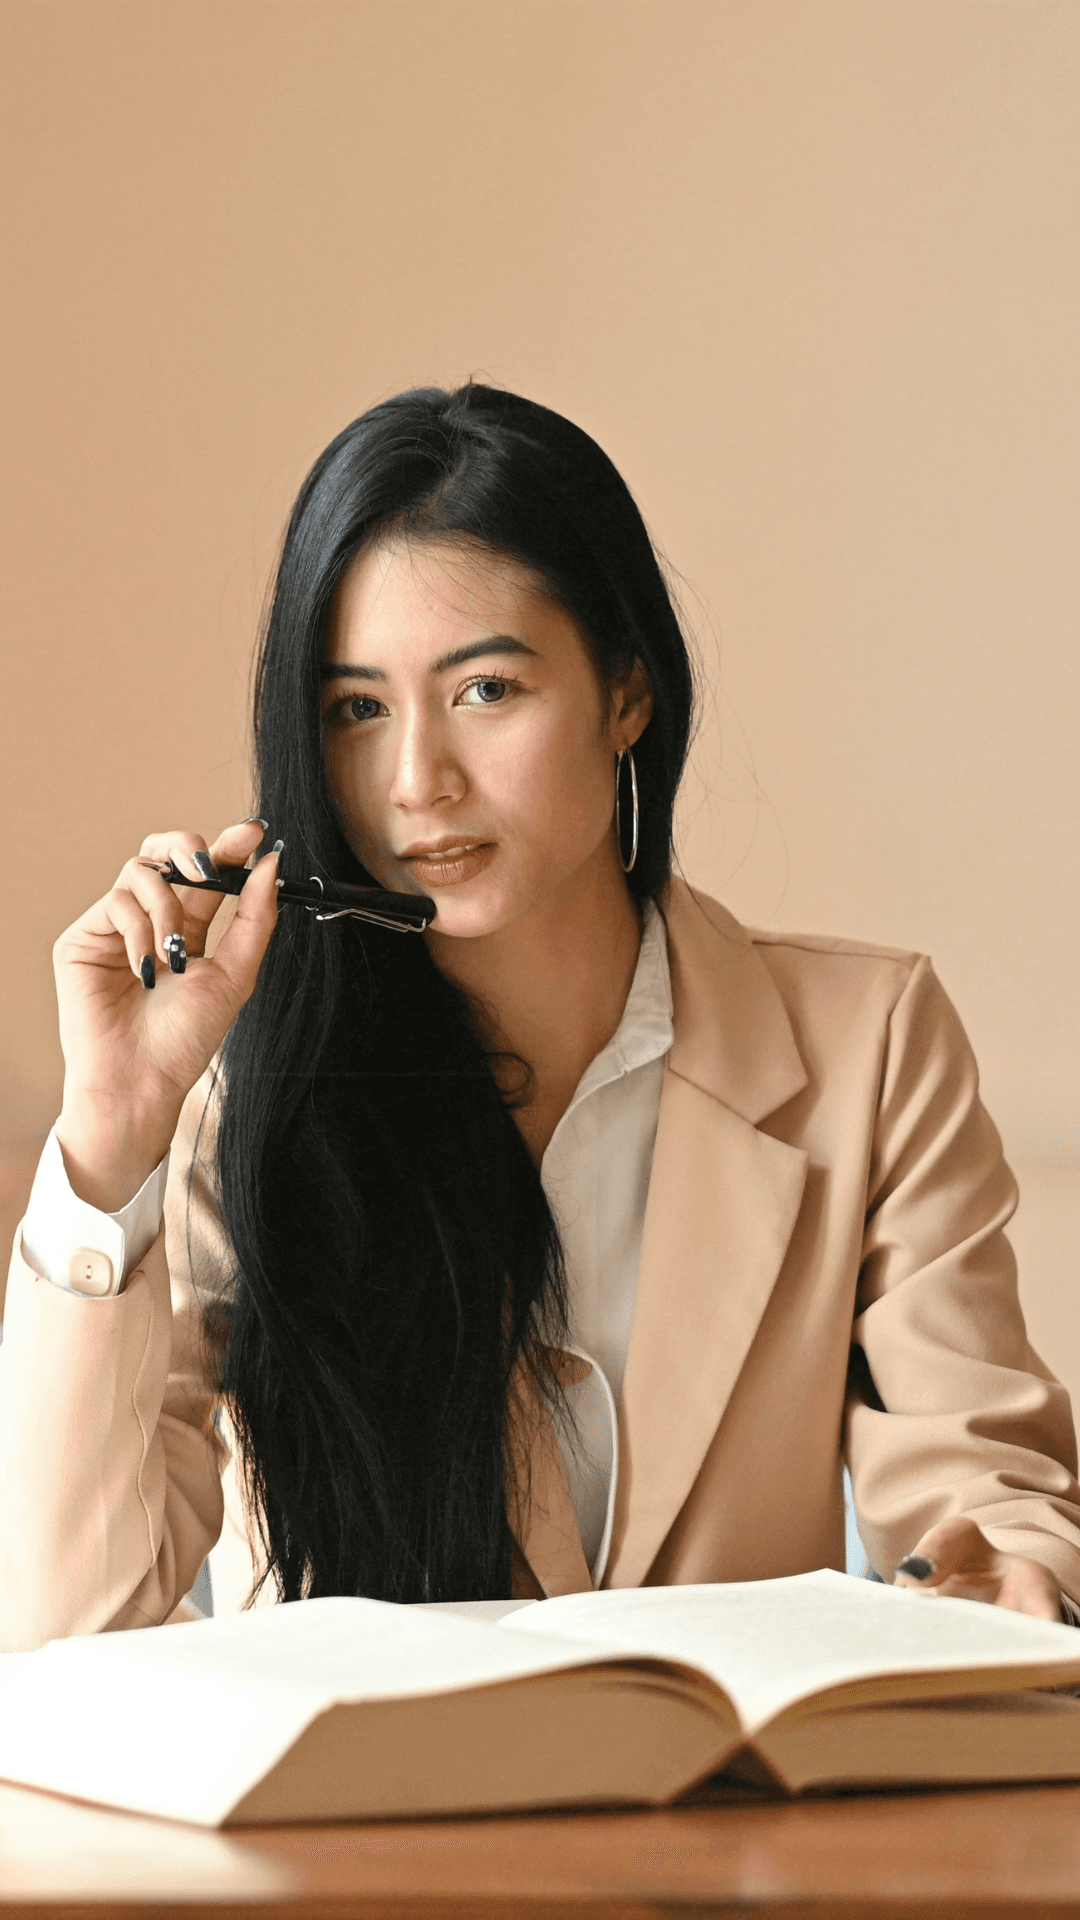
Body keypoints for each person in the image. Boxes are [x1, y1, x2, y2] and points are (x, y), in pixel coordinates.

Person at [2, 382, 1078, 1652]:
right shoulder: (238, 1085)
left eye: (486, 690)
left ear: (626, 695)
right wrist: (112, 1140)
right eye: (357, 710)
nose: (416, 783)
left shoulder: (870, 1043)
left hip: (738, 1832)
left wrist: (992, 1581)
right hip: (356, 1838)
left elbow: (996, 1507)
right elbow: (65, 1633)